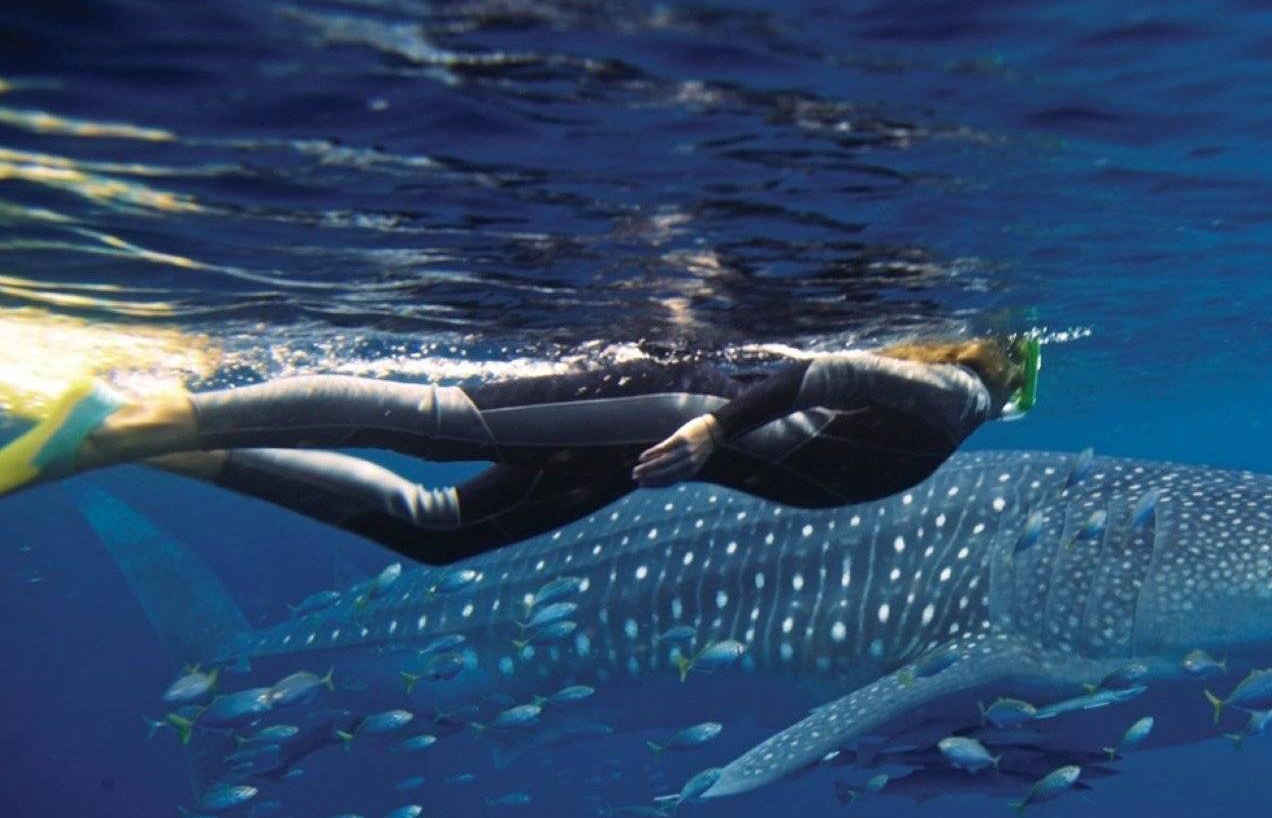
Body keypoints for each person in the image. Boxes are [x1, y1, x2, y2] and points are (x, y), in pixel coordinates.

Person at [0, 336, 1040, 563]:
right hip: (667, 416)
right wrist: (716, 428)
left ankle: (153, 445)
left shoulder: (956, 408)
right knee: (442, 421)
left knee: (440, 531)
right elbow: (827, 376)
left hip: (660, 451)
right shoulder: (950, 395)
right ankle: (154, 414)